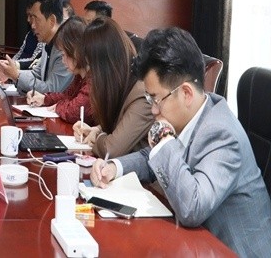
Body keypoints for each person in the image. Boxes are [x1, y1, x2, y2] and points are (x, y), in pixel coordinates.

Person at [90, 27, 271, 257]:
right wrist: (114, 167)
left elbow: (192, 208)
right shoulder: (190, 114)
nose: (153, 110)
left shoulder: (222, 135)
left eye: (156, 99)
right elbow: (152, 156)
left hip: (231, 250)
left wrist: (164, 142)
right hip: (197, 244)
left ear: (186, 93)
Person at [73, 17, 153, 157]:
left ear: (104, 65)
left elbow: (112, 149)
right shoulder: (123, 85)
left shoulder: (142, 94)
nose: (91, 73)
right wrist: (96, 130)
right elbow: (117, 126)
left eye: (92, 65)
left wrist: (97, 137)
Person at [0, 0, 73, 95]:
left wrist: (16, 75)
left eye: (36, 18)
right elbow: (36, 74)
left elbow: (52, 91)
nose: (32, 25)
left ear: (52, 20)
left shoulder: (66, 48)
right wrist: (10, 73)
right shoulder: (47, 44)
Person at [25, 16, 95, 125]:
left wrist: (58, 106)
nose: (62, 60)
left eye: (64, 54)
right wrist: (44, 99)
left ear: (76, 51)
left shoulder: (94, 78)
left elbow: (75, 112)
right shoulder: (79, 76)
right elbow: (67, 96)